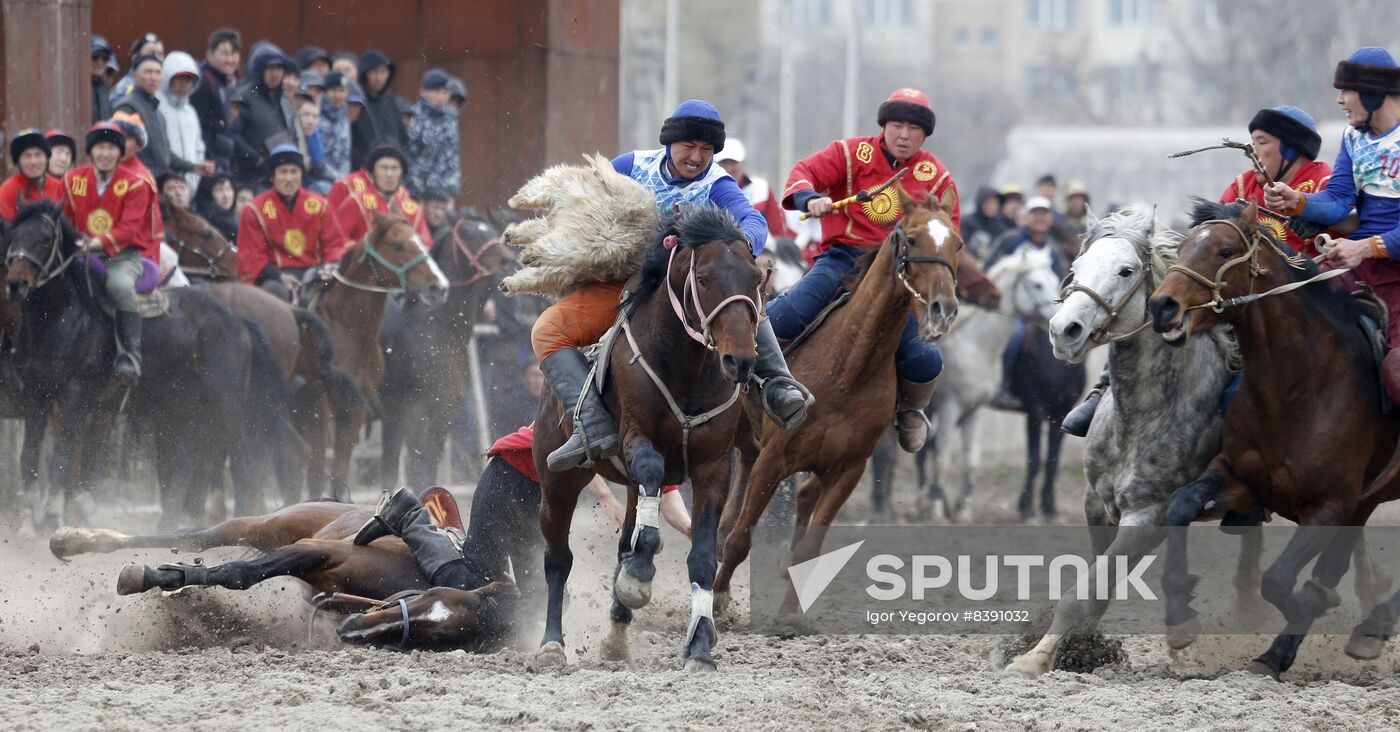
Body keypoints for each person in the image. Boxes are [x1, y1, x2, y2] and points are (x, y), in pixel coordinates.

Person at [533, 99, 810, 472]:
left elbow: (751, 219)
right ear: (669, 143)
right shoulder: (630, 167)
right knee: (546, 329)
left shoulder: (718, 184)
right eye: (689, 146)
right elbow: (584, 201)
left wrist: (742, 244)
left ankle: (777, 384)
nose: (697, 157)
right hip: (618, 281)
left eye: (707, 149)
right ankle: (591, 424)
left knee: (737, 292)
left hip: (686, 294)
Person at [772, 88, 957, 452]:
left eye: (913, 128)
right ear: (884, 126)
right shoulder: (850, 153)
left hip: (900, 277)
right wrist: (811, 198)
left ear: (924, 135)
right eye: (897, 125)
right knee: (784, 316)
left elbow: (949, 236)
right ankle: (759, 384)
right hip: (843, 258)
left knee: (925, 360)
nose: (904, 134)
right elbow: (803, 173)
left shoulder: (936, 177)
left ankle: (910, 410)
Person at [347, 426, 692, 602]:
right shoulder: (610, 399)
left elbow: (664, 490)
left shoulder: (649, 425)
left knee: (539, 602)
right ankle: (411, 516)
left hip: (537, 497)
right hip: (510, 478)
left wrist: (694, 532)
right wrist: (605, 497)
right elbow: (577, 445)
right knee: (475, 587)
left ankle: (451, 545)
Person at [1265, 46, 1400, 404]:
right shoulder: (1354, 137)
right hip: (1361, 267)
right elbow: (1339, 199)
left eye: (1346, 91)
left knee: (1397, 375)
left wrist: (1364, 247)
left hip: (1391, 272)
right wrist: (1298, 201)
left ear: (1374, 92)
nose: (1340, 100)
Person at [62, 121, 163, 380]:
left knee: (119, 286)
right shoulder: (73, 180)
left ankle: (129, 355)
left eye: (111, 148)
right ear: (90, 151)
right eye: (99, 147)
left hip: (122, 256)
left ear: (120, 153)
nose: (105, 154)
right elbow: (63, 217)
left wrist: (92, 243)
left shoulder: (135, 183)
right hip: (78, 253)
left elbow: (129, 229)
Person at [986, 195, 1068, 412]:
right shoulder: (1009, 240)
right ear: (1026, 216)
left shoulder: (1052, 249)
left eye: (1044, 213)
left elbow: (1059, 281)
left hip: (1041, 311)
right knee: (1014, 337)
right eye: (1035, 213)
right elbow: (989, 273)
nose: (1040, 218)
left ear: (1050, 219)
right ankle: (1003, 386)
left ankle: (1050, 391)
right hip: (1009, 313)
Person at [237, 144, 347, 300]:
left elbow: (335, 244)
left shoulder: (321, 206)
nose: (289, 178)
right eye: (283, 172)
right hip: (275, 276)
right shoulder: (255, 210)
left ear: (301, 175)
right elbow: (250, 256)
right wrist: (278, 277)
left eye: (294, 172)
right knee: (273, 292)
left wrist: (330, 268)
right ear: (272, 177)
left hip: (314, 273)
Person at [1219, 106, 1331, 256]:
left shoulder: (1326, 184)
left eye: (1262, 142)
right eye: (1253, 143)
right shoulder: (1242, 187)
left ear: (1291, 150)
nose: (1251, 152)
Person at [333, 142, 431, 244]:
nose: (389, 174)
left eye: (394, 168)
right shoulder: (356, 202)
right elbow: (338, 241)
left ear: (402, 174)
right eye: (384, 168)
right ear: (371, 174)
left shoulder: (413, 210)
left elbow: (425, 245)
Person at [230, 43, 296, 189]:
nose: (275, 74)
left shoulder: (283, 100)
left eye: (279, 68)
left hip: (278, 177)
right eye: (270, 68)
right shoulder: (244, 97)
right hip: (250, 179)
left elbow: (292, 135)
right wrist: (256, 158)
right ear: (259, 70)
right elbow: (232, 135)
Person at [115, 53, 188, 179]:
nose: (153, 77)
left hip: (158, 182)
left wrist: (193, 167)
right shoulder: (127, 107)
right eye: (148, 72)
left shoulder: (158, 113)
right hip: (136, 180)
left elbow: (164, 152)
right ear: (134, 75)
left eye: (158, 72)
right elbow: (122, 150)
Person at [156, 51, 216, 194]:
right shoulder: (156, 107)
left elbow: (198, 148)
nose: (185, 84)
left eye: (190, 80)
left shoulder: (191, 112)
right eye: (180, 78)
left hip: (189, 189)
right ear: (167, 77)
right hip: (164, 186)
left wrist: (193, 181)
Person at [715, 138, 796, 239]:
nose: (729, 168)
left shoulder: (761, 188)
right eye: (724, 163)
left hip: (760, 250)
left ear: (744, 163)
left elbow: (778, 229)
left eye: (733, 162)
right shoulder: (708, 190)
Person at [190, 28, 241, 174]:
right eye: (225, 53)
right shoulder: (204, 83)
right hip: (208, 163)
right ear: (210, 55)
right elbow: (200, 128)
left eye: (234, 54)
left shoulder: (224, 82)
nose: (231, 60)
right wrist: (212, 162)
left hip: (221, 159)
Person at [405, 68, 461, 198]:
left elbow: (452, 157)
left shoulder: (450, 120)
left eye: (445, 92)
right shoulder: (413, 117)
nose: (441, 97)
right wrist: (415, 188)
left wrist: (453, 186)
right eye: (436, 91)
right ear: (422, 91)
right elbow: (410, 156)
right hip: (417, 190)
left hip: (444, 190)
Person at [351, 49, 406, 170]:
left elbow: (401, 136)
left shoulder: (389, 101)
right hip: (362, 169)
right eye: (374, 72)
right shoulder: (357, 101)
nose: (379, 77)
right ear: (365, 73)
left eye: (383, 72)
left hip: (390, 168)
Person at [0, 129, 64, 222]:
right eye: (27, 156)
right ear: (18, 162)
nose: (33, 162)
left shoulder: (59, 187)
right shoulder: (8, 189)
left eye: (38, 155)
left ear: (47, 158)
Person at [108, 32, 164, 108]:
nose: (156, 58)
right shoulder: (124, 88)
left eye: (160, 54)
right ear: (135, 57)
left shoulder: (160, 84)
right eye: (151, 53)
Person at [319, 71, 354, 187]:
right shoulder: (317, 116)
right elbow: (319, 159)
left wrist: (344, 178)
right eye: (333, 90)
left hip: (342, 179)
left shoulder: (344, 118)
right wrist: (338, 178)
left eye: (342, 90)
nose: (338, 95)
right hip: (319, 179)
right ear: (325, 92)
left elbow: (345, 154)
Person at [961, 186, 1011, 259]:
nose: (991, 206)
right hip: (969, 264)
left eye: (994, 202)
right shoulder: (967, 222)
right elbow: (960, 247)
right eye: (987, 202)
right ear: (980, 203)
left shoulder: (1002, 227)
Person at [193, 170, 239, 241]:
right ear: (209, 195)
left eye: (228, 189)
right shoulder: (215, 216)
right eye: (219, 190)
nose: (226, 195)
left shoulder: (232, 216)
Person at [90, 35, 118, 125]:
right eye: (95, 57)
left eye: (105, 58)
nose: (100, 61)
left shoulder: (104, 89)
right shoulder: (77, 88)